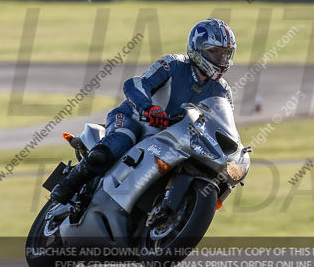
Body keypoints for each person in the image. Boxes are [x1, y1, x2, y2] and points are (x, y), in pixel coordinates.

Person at [51, 18, 236, 203]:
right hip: (135, 120)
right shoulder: (173, 64)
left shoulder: (223, 90)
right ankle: (66, 186)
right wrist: (149, 108)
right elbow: (135, 84)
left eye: (225, 53)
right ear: (197, 49)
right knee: (114, 147)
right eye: (214, 52)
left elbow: (223, 125)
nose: (221, 59)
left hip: (176, 139)